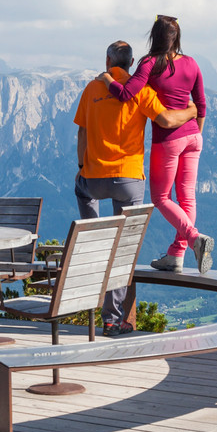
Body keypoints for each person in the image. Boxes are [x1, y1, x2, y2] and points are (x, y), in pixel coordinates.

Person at [74, 40, 198, 336]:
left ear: (107, 61)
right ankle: (112, 319)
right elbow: (167, 119)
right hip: (129, 179)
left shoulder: (92, 88)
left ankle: (93, 237)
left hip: (93, 178)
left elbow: (82, 132)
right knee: (123, 250)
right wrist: (193, 111)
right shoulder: (141, 90)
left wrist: (83, 168)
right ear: (131, 63)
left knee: (81, 192)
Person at [100, 16, 213, 276]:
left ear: (155, 36)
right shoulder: (192, 63)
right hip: (194, 136)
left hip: (169, 139)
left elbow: (126, 94)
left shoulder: (150, 63)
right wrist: (198, 135)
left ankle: (195, 240)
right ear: (177, 37)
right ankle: (176, 255)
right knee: (187, 198)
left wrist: (107, 79)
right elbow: (201, 105)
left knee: (161, 198)